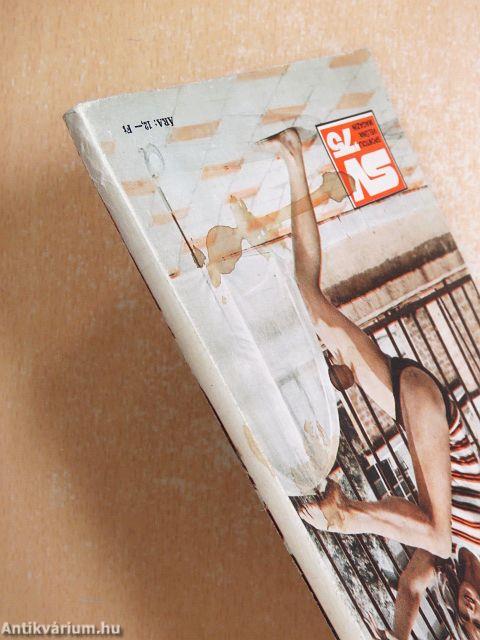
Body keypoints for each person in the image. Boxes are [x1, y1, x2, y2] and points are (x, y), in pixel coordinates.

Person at [257, 128, 480, 639]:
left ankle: (293, 155)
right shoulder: (455, 543)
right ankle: (345, 516)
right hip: (431, 413)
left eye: (465, 619)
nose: (469, 609)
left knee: (310, 297)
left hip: (407, 407)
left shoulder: (449, 558)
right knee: (436, 535)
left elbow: (410, 587)